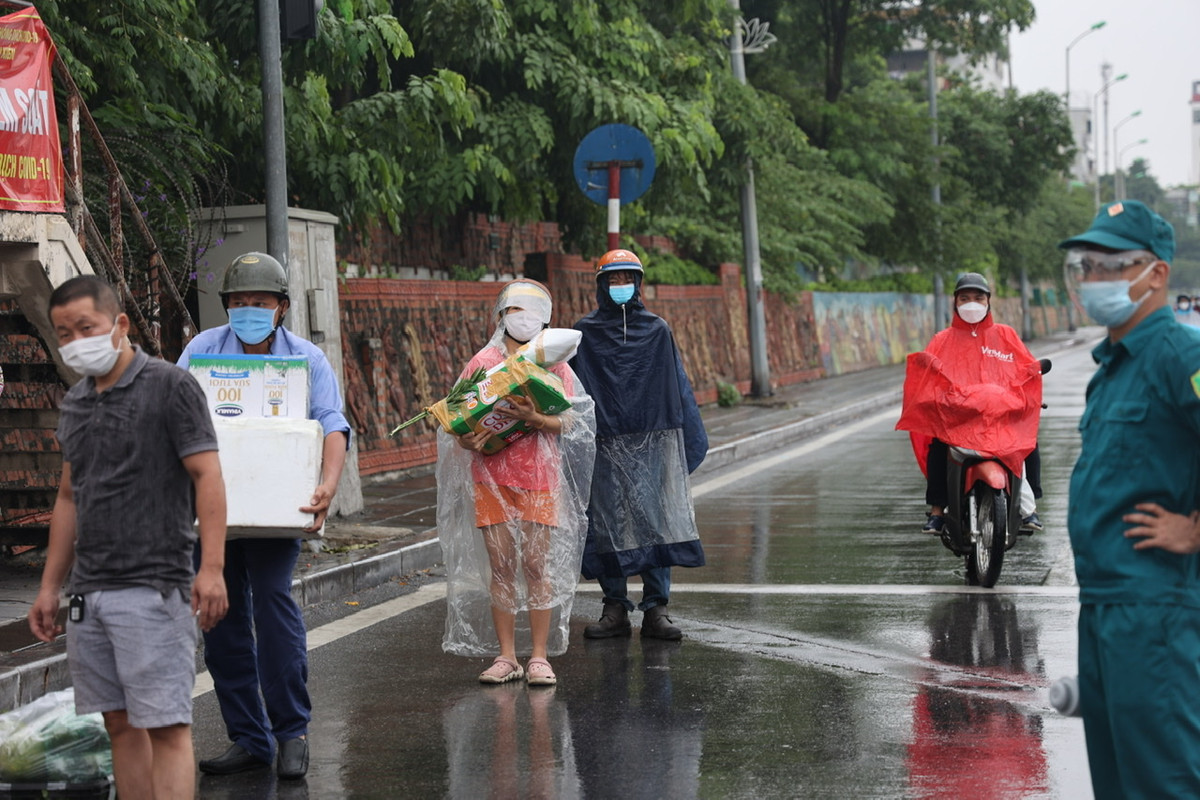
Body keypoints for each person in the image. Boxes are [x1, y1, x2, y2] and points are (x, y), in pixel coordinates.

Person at [29, 275, 228, 800]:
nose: (75, 342)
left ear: (120, 325)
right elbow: (69, 499)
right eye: (64, 333)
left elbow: (207, 475)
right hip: (89, 594)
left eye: (85, 328)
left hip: (155, 587)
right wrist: (51, 587)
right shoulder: (75, 403)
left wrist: (210, 569)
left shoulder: (170, 386)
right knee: (117, 723)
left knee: (165, 725)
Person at [179, 252, 351, 779]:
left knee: (275, 612)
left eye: (259, 302)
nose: (247, 309)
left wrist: (326, 486)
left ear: (280, 307)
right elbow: (174, 417)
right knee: (221, 620)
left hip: (278, 511)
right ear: (226, 306)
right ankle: (249, 737)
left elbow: (332, 425)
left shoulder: (306, 360)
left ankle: (291, 731)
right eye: (238, 302)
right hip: (213, 514)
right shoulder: (202, 350)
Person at [1059, 200, 1200, 797]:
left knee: (1162, 782)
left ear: (1156, 274)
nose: (1095, 280)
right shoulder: (1111, 366)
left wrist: (1195, 531)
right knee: (1117, 782)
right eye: (1087, 266)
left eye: (1113, 266)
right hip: (1104, 606)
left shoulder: (1180, 356)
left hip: (1155, 608)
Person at [436, 279, 595, 685]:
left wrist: (536, 419)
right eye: (515, 311)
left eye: (532, 313)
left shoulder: (554, 362)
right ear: (501, 315)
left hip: (540, 479)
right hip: (492, 479)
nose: (524, 320)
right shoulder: (482, 363)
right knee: (502, 566)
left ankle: (539, 656)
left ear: (545, 319)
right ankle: (506, 656)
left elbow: (572, 419)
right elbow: (456, 419)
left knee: (537, 564)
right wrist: (466, 437)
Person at [571, 248, 708, 641]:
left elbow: (675, 386)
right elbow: (575, 390)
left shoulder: (657, 330)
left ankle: (656, 608)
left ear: (638, 283)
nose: (620, 286)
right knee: (608, 520)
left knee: (654, 521)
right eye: (612, 280)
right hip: (604, 443)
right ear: (601, 284)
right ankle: (614, 606)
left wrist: (681, 438)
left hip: (651, 443)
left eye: (626, 278)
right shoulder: (585, 334)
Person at [902, 272, 1044, 535]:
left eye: (978, 298)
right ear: (955, 302)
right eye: (964, 298)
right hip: (959, 418)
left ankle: (1030, 507)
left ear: (988, 301)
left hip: (999, 416)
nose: (972, 303)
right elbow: (929, 373)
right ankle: (937, 511)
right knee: (937, 446)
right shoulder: (942, 339)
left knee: (1029, 442)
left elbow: (1025, 366)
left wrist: (1032, 377)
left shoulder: (1006, 335)